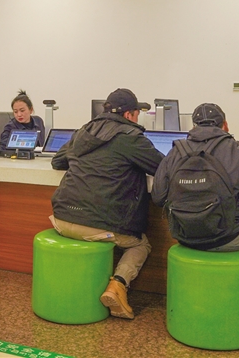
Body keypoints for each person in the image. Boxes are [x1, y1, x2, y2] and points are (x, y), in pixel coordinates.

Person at [152, 103, 239, 329]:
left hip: (184, 234)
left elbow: (158, 196)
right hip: (227, 234)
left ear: (194, 126)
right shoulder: (237, 149)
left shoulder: (176, 151)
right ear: (225, 125)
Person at [50, 88, 163, 320]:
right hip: (97, 225)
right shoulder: (131, 137)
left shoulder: (84, 131)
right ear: (130, 114)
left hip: (61, 218)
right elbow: (163, 167)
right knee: (140, 244)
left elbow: (58, 161)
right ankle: (118, 285)